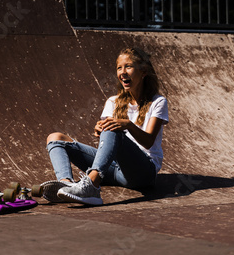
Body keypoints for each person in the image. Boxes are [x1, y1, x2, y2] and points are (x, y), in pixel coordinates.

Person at [44, 47, 168, 205]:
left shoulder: (157, 102)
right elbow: (108, 136)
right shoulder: (112, 102)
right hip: (112, 168)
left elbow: (149, 141)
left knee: (114, 128)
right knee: (55, 138)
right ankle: (65, 185)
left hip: (142, 172)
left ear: (143, 71)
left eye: (128, 66)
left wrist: (127, 125)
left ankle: (92, 185)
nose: (122, 72)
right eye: (119, 67)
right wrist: (100, 129)